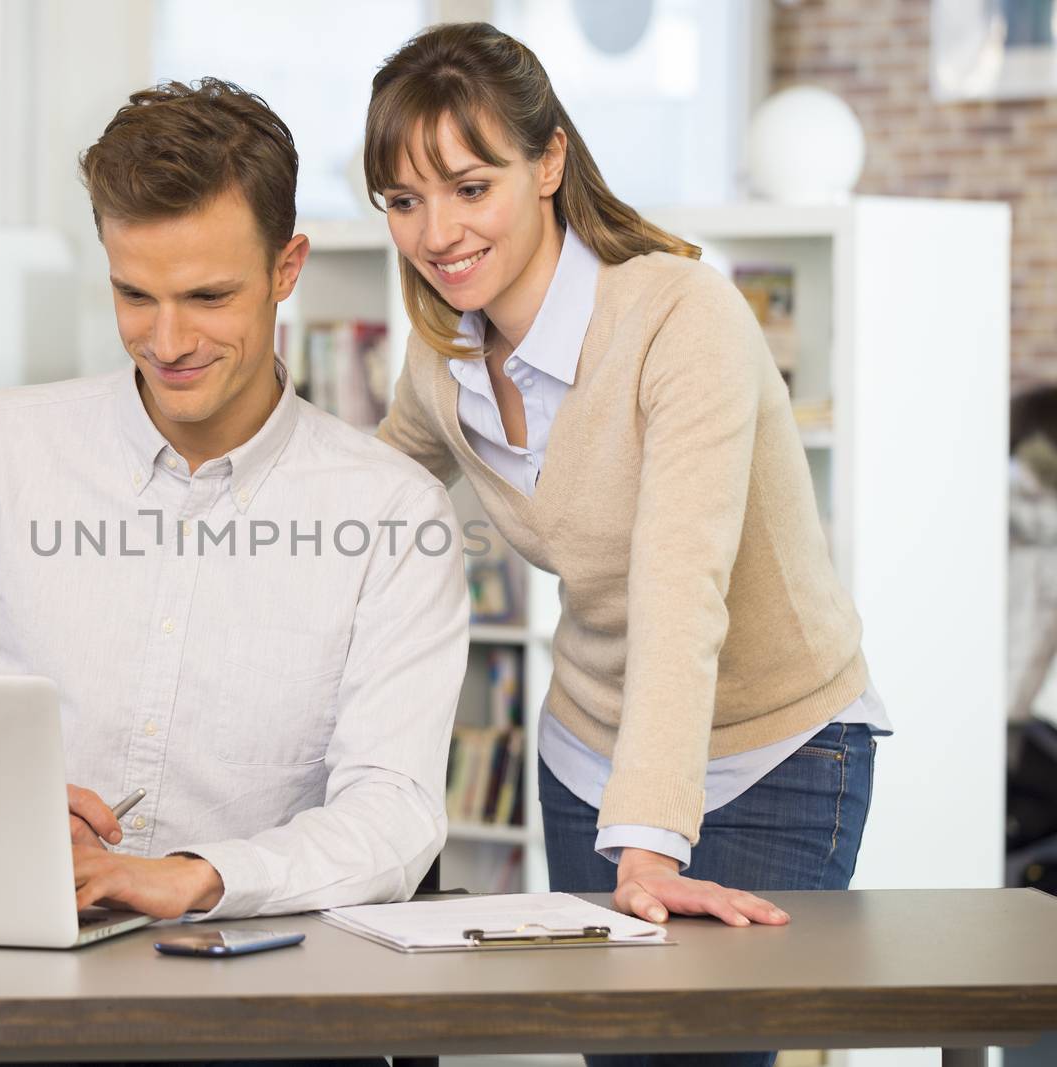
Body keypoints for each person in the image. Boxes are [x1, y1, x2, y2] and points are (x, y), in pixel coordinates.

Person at [366, 23, 891, 1067]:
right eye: (402, 200)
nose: (436, 232)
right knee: (616, 1055)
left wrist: (647, 845)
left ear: (550, 160)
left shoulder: (679, 316)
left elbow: (679, 584)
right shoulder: (445, 356)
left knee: (699, 1057)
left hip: (771, 746)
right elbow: (357, 502)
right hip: (587, 750)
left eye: (471, 187)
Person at [0, 78, 468, 922]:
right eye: (135, 295)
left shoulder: (392, 518)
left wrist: (200, 875)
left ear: (285, 268)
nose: (169, 341)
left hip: (256, 989)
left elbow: (395, 815)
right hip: (8, 949)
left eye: (208, 297)